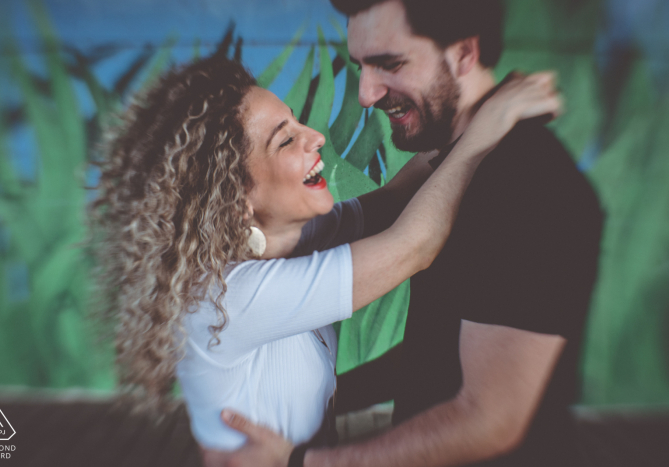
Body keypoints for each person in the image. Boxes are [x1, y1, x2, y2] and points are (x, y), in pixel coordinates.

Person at [91, 53, 561, 456]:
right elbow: (413, 245)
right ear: (236, 198)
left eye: (296, 120)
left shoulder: (295, 238)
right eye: (285, 139)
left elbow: (396, 199)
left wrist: (465, 110)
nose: (314, 136)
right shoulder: (229, 298)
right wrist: (486, 131)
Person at [203, 1, 604, 466]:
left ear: (464, 54)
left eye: (389, 63)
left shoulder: (527, 186)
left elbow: (489, 419)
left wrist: (301, 461)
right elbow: (436, 350)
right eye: (360, 66)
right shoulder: (457, 171)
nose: (367, 94)